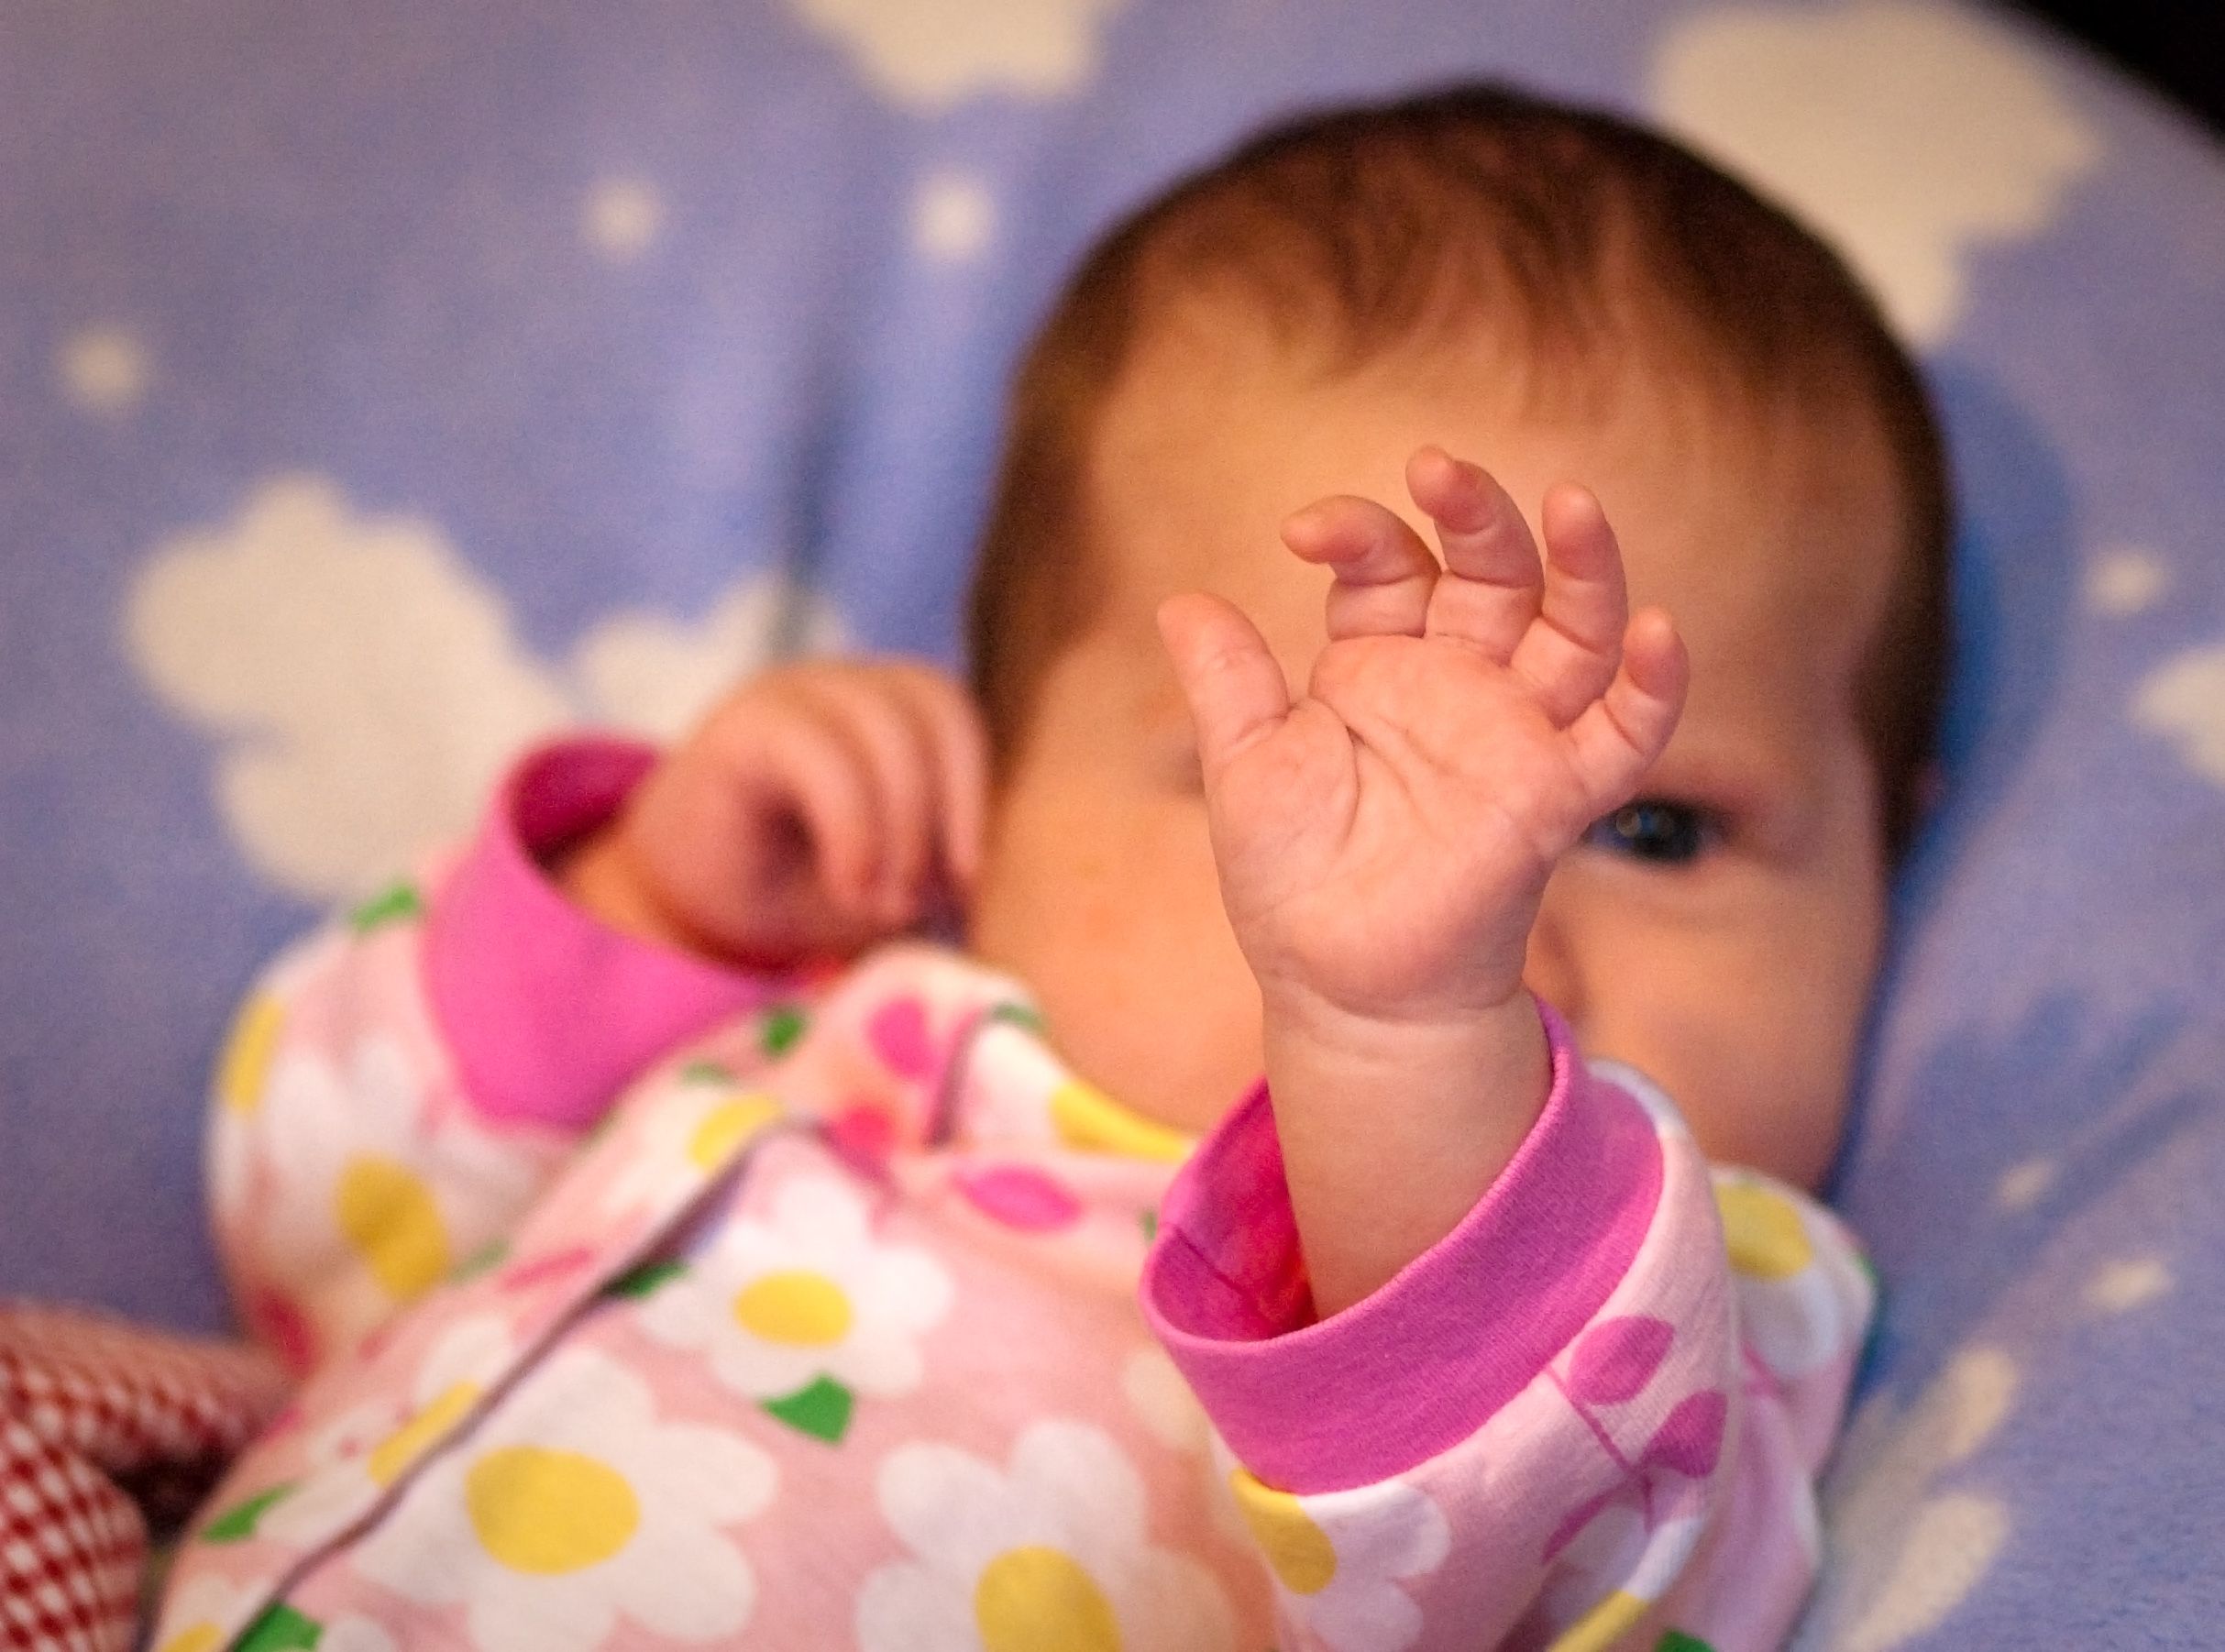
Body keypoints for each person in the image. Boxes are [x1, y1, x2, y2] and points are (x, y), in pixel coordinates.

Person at [154, 81, 1948, 1652]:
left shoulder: (1683, 1356)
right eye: (1310, 767)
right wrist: (654, 906)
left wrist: (1407, 1034)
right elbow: (321, 1227)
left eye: (1653, 824)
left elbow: (1536, 1573)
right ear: (1002, 791)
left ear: (1891, 852)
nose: (1484, 891)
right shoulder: (828, 1026)